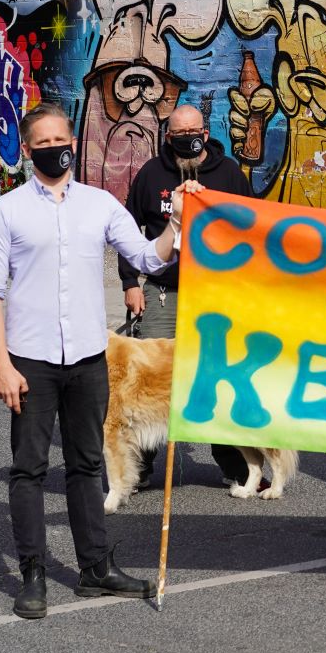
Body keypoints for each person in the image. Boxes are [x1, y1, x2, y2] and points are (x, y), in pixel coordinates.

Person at [0, 102, 197, 619]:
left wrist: (177, 222)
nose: (58, 148)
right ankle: (32, 572)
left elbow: (147, 257)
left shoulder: (99, 204)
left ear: (73, 144)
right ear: (28, 150)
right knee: (29, 470)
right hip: (29, 360)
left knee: (87, 464)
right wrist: (1, 365)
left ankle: (95, 568)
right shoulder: (6, 211)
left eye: (64, 139)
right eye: (46, 142)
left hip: (88, 357)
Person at [119, 102, 255, 488]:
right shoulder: (151, 174)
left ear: (206, 134)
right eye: (179, 134)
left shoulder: (229, 174)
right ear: (169, 137)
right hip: (164, 291)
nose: (187, 139)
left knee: (218, 375)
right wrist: (130, 283)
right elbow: (129, 230)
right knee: (149, 377)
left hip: (218, 295)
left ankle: (236, 466)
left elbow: (253, 228)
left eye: (192, 132)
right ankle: (138, 467)